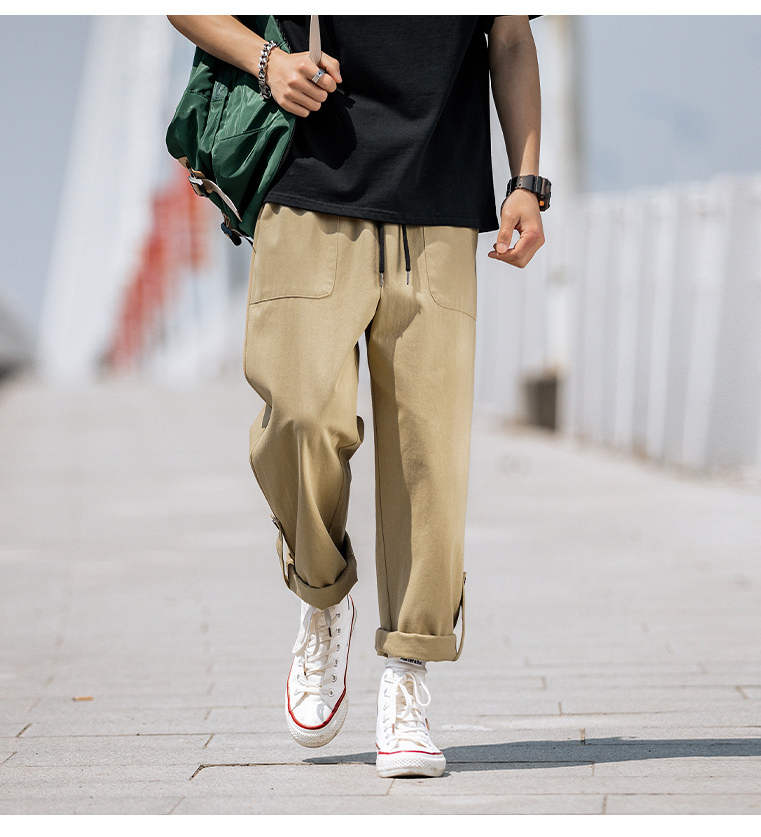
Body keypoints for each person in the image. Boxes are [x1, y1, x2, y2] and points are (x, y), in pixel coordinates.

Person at [167, 14, 548, 779]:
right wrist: (267, 62)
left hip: (439, 197)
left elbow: (508, 36)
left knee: (429, 456)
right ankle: (323, 591)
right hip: (307, 185)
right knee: (299, 414)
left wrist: (526, 182)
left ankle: (408, 674)